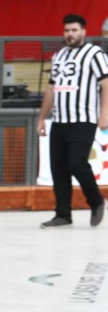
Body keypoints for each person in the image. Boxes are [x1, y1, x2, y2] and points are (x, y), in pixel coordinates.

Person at [37, 13, 108, 228]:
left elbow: (106, 84)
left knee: (77, 163)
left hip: (83, 118)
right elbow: (51, 88)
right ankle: (63, 214)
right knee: (58, 168)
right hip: (59, 119)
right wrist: (42, 118)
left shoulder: (94, 53)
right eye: (67, 30)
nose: (70, 34)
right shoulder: (58, 55)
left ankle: (96, 201)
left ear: (84, 32)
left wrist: (104, 113)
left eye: (74, 30)